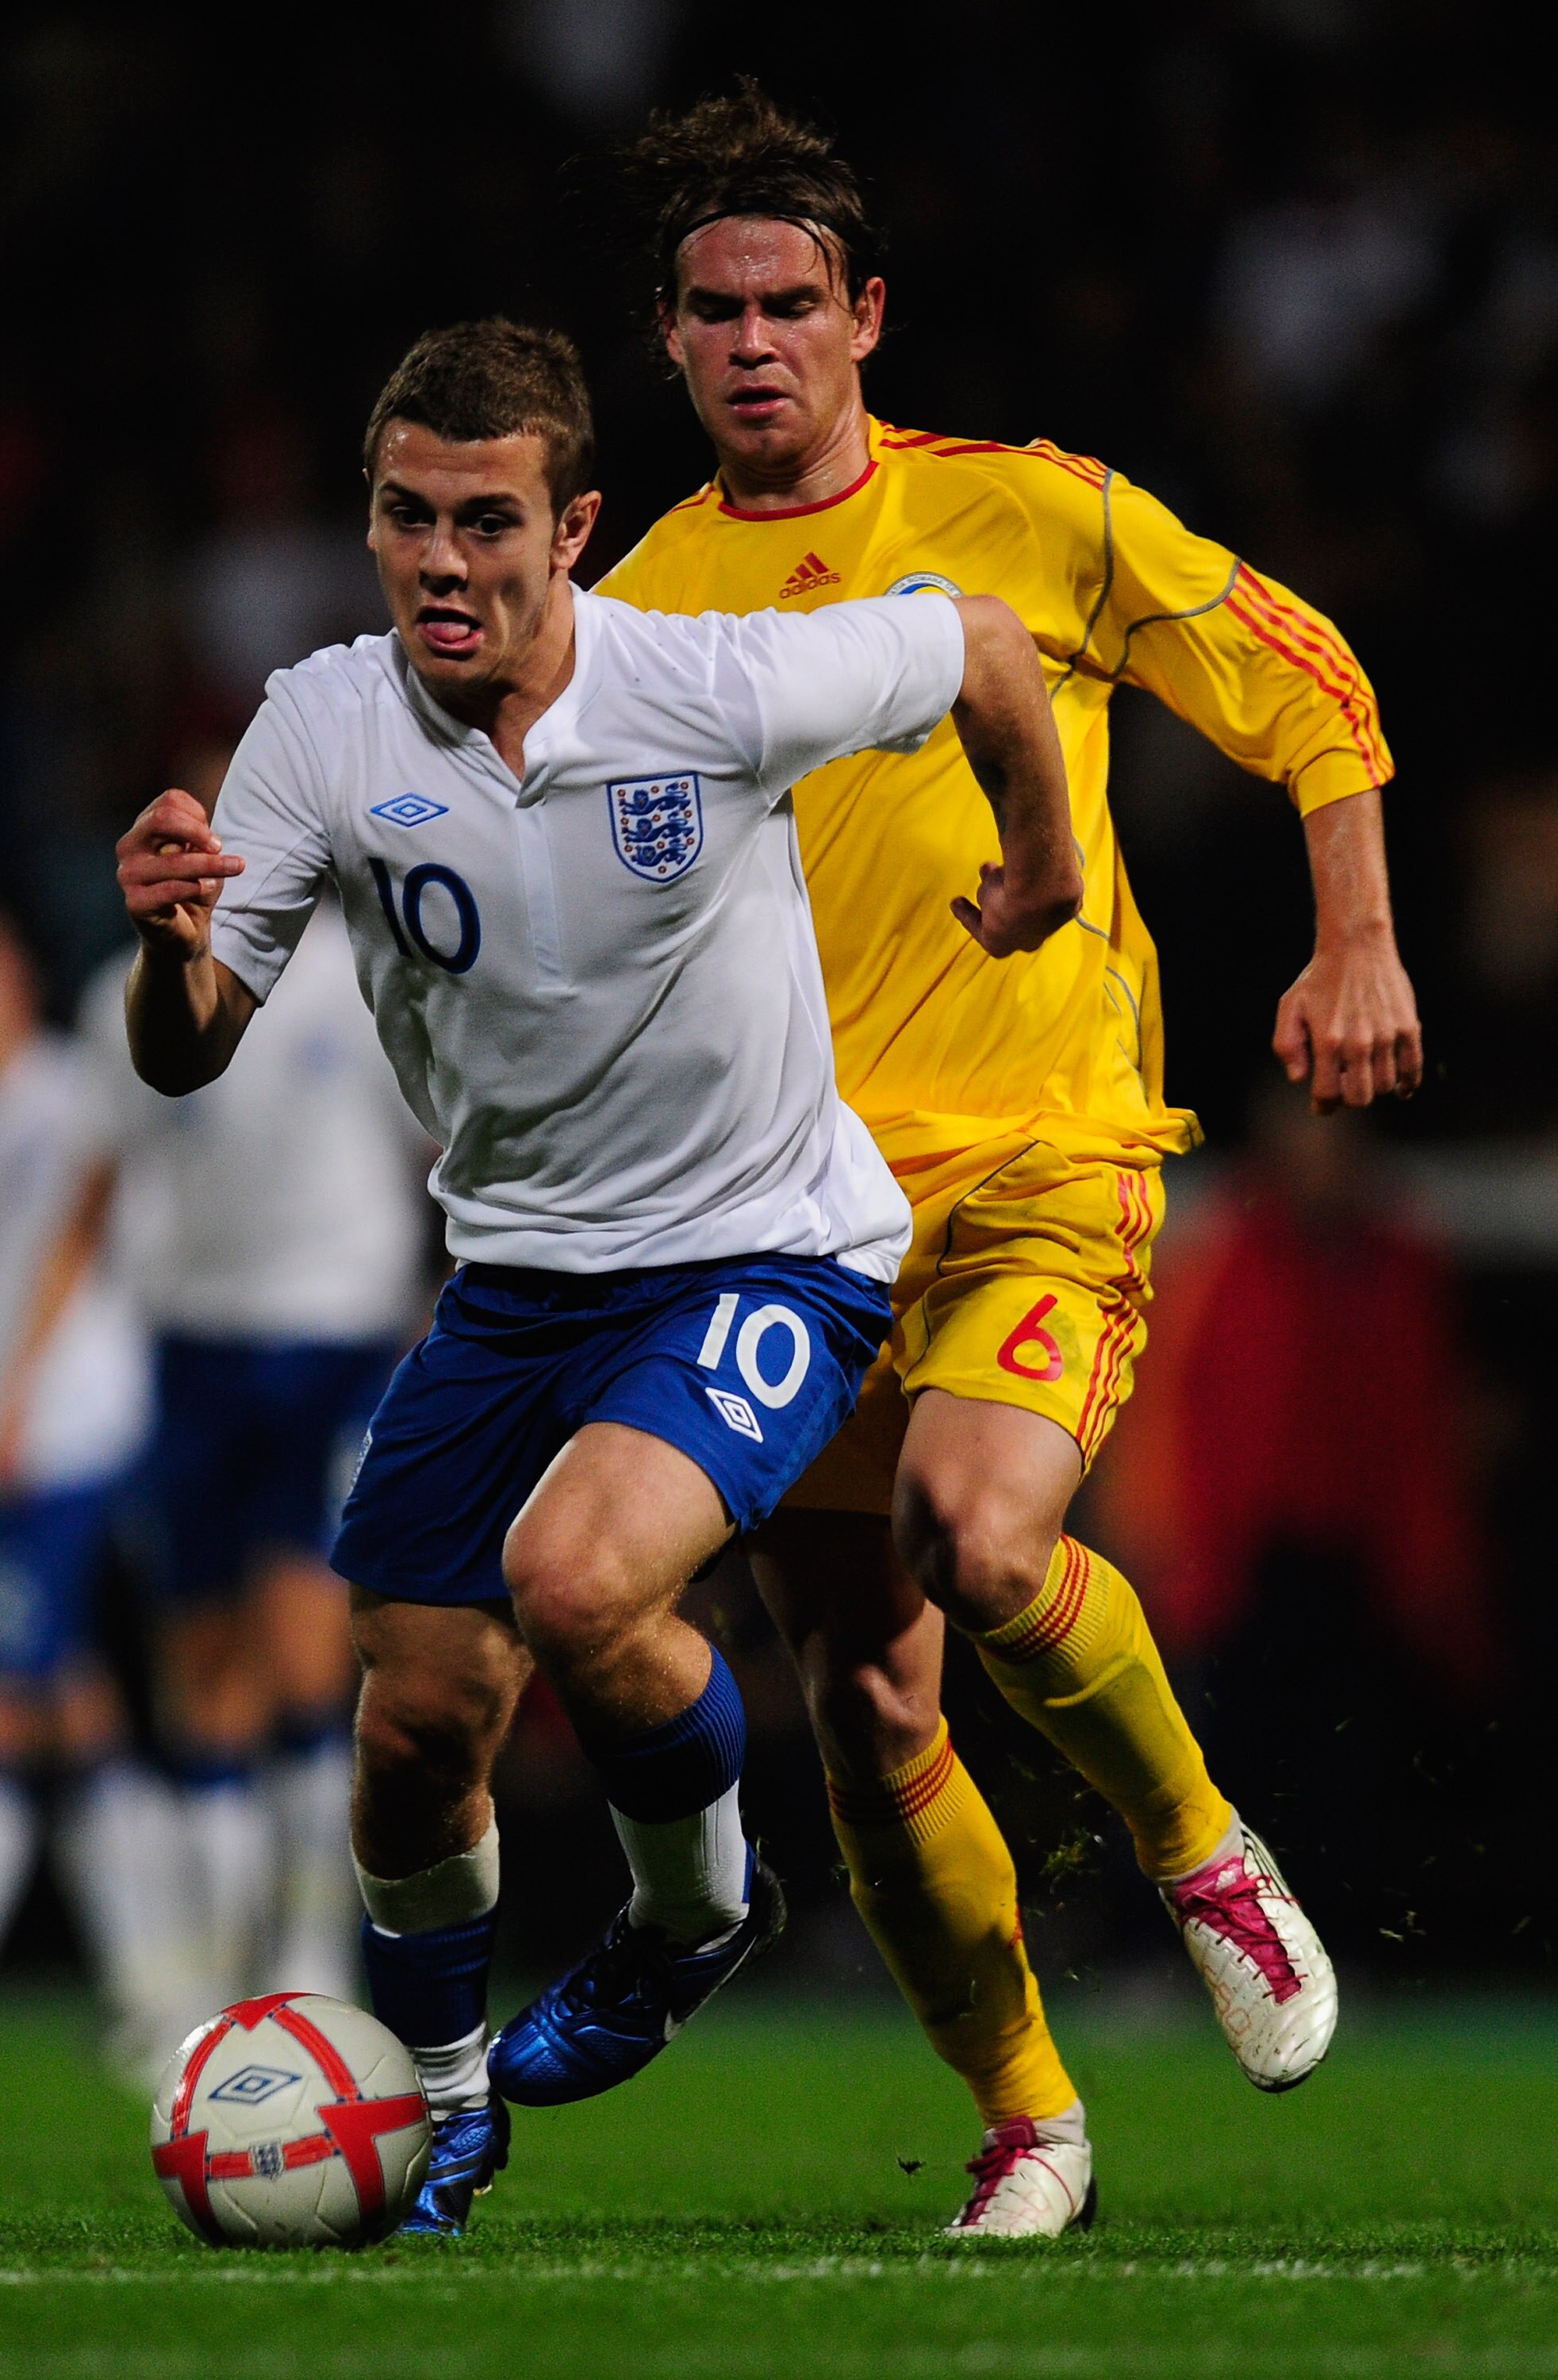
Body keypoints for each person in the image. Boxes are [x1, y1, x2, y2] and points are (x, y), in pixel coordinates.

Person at [111, 320, 1082, 2236]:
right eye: (405, 518)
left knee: (575, 1583)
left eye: (486, 522)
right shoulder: (319, 726)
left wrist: (1039, 862)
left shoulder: (708, 683)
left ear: (576, 529)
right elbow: (189, 1047)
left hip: (763, 1246)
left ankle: (690, 1912)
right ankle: (447, 2099)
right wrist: (169, 941)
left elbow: (977, 640)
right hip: (515, 1276)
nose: (442, 563)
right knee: (409, 1725)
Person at [596, 83, 1422, 2237]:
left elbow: (1304, 679)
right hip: (781, 1220)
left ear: (865, 315)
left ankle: (1195, 1841)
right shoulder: (635, 612)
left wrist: (1352, 935)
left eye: (792, 301)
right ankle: (1029, 2120)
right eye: (713, 309)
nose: (755, 341)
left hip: (1047, 1155)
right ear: (666, 337)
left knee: (981, 1537)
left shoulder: (1032, 515)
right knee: (869, 1694)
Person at [76, 881, 434, 2019]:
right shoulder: (118, 999)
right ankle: (214, 1972)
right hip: (190, 1345)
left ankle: (309, 1959)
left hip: (331, 1338)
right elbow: (109, 1178)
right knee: (202, 1672)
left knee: (305, 1660)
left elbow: (436, 1137)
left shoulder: (363, 973)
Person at [0, 902, 175, 2061]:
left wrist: (23, 1396)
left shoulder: (65, 1094)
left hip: (67, 1440)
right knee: (71, 1708)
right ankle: (157, 1978)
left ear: (18, 980)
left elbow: (98, 1229)